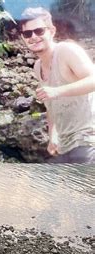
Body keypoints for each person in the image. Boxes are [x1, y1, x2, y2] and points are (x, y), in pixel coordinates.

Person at [19, 7, 95, 163]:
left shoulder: (66, 51)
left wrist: (57, 91)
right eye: (27, 34)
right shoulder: (38, 66)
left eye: (39, 31)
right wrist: (53, 135)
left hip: (87, 141)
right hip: (64, 146)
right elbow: (50, 105)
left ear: (52, 31)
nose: (33, 37)